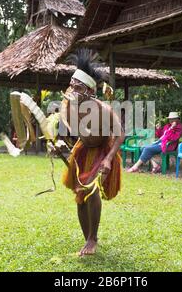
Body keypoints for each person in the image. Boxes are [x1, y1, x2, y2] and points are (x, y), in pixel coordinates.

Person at [61, 49, 125, 256]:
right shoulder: (69, 107)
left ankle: (93, 238)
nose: (71, 90)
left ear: (89, 91)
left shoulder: (103, 110)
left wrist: (108, 158)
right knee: (80, 193)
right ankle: (87, 237)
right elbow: (72, 132)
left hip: (102, 150)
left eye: (77, 87)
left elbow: (120, 134)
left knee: (92, 189)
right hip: (83, 150)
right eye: (71, 84)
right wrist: (59, 144)